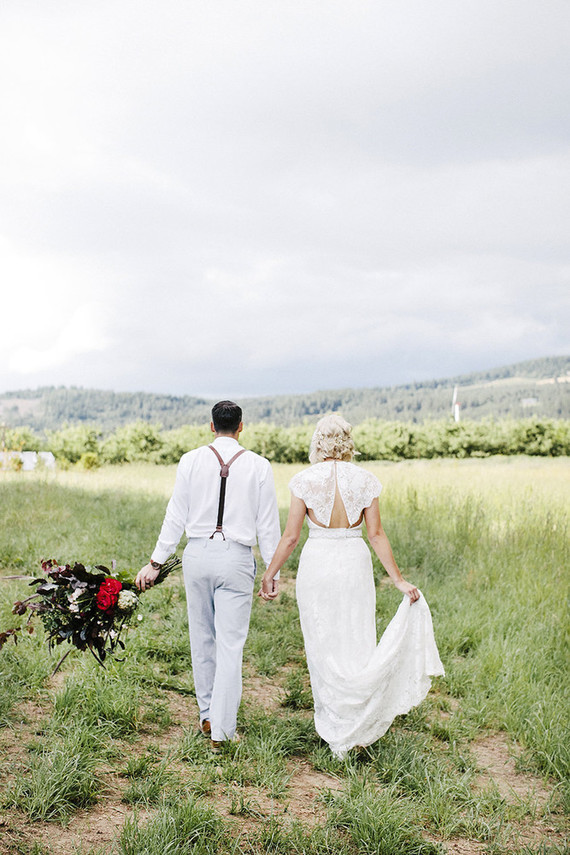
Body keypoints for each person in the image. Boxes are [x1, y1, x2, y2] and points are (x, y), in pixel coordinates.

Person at [259, 414, 444, 758]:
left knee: (322, 641)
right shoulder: (366, 480)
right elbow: (375, 534)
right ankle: (356, 729)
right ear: (347, 442)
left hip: (319, 563)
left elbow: (291, 537)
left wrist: (271, 573)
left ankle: (337, 731)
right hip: (354, 563)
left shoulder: (303, 480)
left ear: (318, 441)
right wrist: (398, 580)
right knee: (357, 638)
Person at [136, 401, 280, 749]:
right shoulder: (260, 466)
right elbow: (268, 524)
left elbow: (175, 515)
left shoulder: (190, 460)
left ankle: (206, 714)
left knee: (202, 638)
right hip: (237, 558)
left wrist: (155, 562)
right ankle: (222, 731)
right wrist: (272, 572)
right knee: (231, 645)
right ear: (241, 427)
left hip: (198, 554)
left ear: (211, 427)